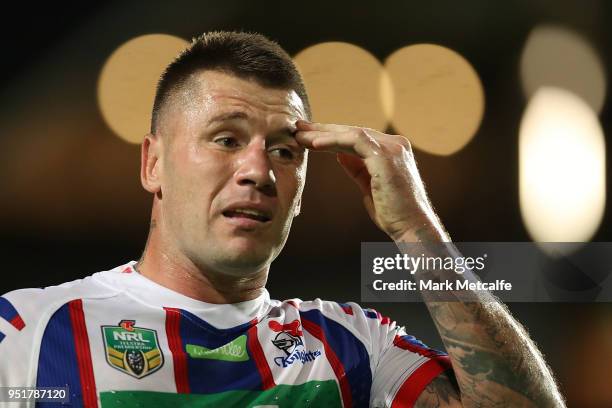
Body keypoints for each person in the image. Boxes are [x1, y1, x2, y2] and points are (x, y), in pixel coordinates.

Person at [0, 31, 564, 407]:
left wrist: (416, 227)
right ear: (153, 163)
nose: (258, 172)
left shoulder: (351, 349)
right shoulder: (28, 332)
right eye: (226, 139)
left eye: (284, 150)